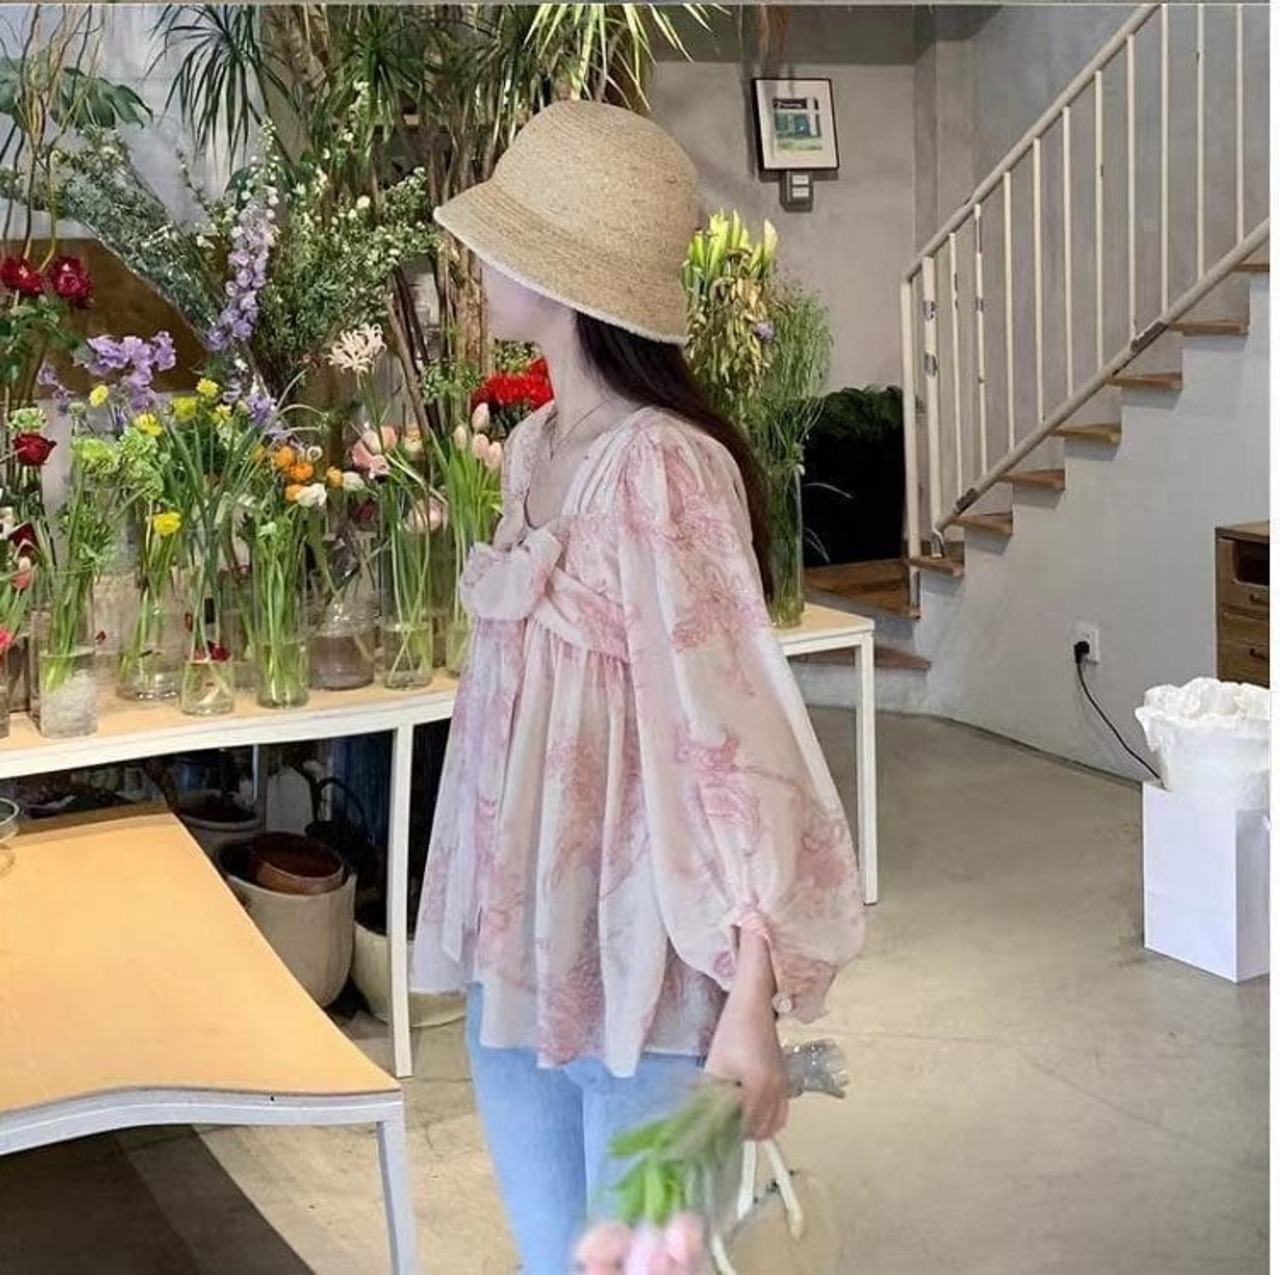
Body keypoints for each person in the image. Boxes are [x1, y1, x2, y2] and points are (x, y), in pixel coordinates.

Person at [412, 100, 865, 1274]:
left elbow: (732, 732)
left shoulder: (663, 465)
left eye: (500, 240)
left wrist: (751, 993)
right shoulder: (531, 449)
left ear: (558, 274)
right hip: (520, 941)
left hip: (641, 960)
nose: (477, 263)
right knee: (554, 1257)